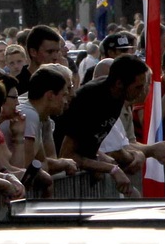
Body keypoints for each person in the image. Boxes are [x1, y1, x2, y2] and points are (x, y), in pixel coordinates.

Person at [56, 55, 150, 196]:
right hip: (63, 181)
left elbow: (91, 142)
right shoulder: (91, 100)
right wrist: (111, 169)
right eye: (138, 87)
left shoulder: (117, 96)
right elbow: (67, 154)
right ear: (119, 83)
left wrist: (99, 160)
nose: (143, 92)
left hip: (86, 173)